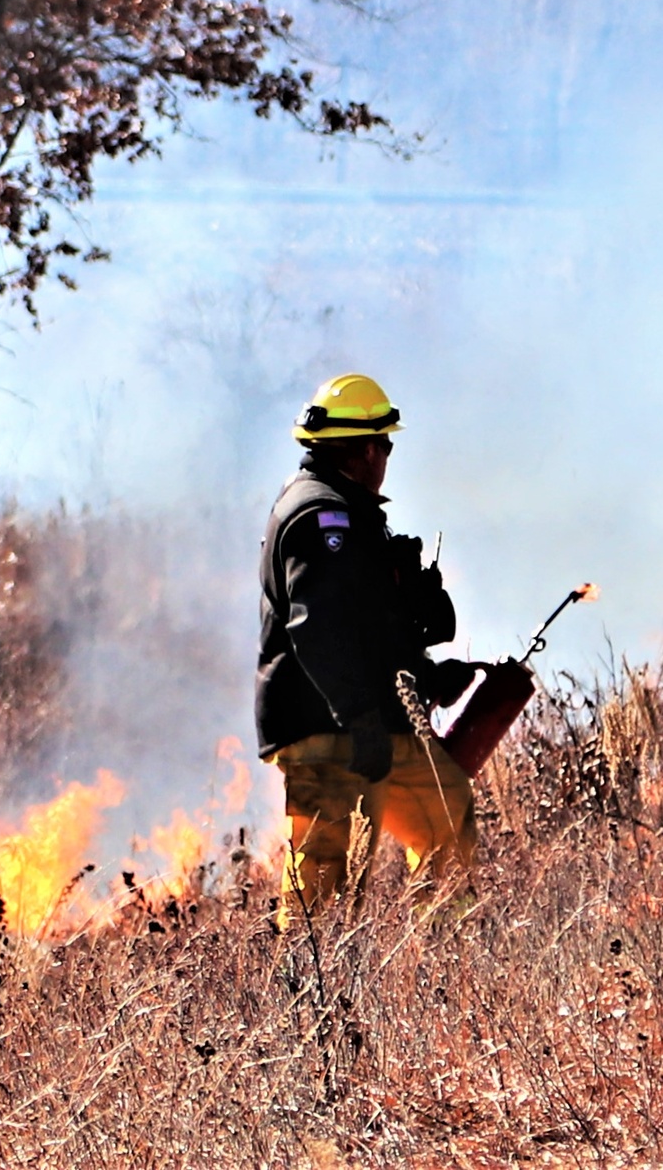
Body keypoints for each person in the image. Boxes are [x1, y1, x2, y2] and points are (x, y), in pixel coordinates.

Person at [256, 373, 478, 922]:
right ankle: (308, 974)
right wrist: (359, 717)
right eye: (385, 445)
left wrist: (428, 679)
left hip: (376, 725)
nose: (386, 458)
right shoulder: (320, 518)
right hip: (329, 732)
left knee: (446, 813)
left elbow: (368, 631)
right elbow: (318, 629)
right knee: (326, 883)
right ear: (365, 449)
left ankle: (445, 952)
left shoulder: (351, 515)